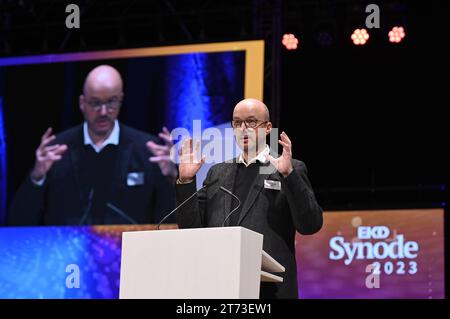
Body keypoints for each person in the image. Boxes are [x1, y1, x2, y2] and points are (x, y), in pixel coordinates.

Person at [175, 98, 323, 299]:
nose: (243, 128)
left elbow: (310, 225)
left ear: (268, 128)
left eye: (251, 122)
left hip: (270, 290)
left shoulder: (289, 168)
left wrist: (289, 176)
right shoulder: (217, 173)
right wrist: (186, 181)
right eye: (237, 123)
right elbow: (191, 232)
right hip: (221, 286)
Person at [8, 65, 177, 226]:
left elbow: (171, 221)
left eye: (111, 102)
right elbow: (19, 219)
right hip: (68, 253)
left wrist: (171, 179)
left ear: (121, 100)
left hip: (130, 251)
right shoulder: (56, 151)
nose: (103, 112)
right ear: (82, 102)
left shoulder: (149, 151)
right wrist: (37, 178)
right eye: (95, 103)